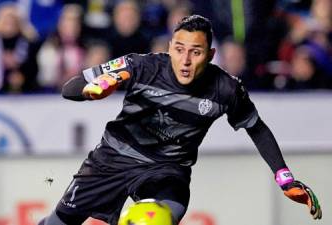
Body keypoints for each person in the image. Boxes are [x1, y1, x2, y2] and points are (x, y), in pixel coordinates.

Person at [39, 15, 322, 225]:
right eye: (179, 49)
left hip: (166, 172)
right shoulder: (141, 66)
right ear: (170, 47)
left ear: (210, 55)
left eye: (195, 52)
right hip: (111, 160)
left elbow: (257, 129)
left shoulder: (226, 89)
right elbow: (70, 87)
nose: (185, 60)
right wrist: (93, 90)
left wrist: (285, 178)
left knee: (154, 220)